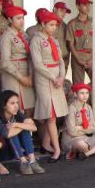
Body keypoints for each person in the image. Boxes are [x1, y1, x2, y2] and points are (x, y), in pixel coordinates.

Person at [30, 8, 69, 162]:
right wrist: (53, 78)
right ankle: (57, 149)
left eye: (55, 25)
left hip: (56, 79)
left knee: (53, 113)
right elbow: (38, 64)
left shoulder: (54, 40)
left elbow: (60, 61)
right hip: (45, 80)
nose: (54, 28)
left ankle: (46, 143)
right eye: (51, 25)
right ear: (42, 24)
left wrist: (61, 76)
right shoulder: (36, 40)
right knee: (51, 114)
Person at [0, 90, 45, 175]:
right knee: (13, 133)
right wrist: (22, 125)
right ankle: (23, 162)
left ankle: (32, 161)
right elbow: (7, 134)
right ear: (4, 106)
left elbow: (34, 128)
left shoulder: (17, 114)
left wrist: (16, 124)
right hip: (4, 151)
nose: (16, 106)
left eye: (17, 103)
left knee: (24, 129)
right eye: (12, 103)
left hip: (17, 149)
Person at [0, 4, 35, 115]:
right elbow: (5, 62)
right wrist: (21, 78)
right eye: (18, 18)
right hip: (13, 75)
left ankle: (28, 132)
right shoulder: (6, 36)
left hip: (26, 74)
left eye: (22, 18)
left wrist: (29, 75)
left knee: (29, 107)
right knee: (14, 108)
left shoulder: (24, 35)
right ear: (10, 19)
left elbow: (29, 56)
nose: (21, 21)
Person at [63, 83, 95, 159]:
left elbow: (93, 128)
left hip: (86, 138)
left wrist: (80, 128)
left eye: (87, 93)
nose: (85, 96)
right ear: (75, 94)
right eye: (82, 93)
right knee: (81, 144)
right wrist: (86, 129)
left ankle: (87, 154)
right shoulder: (71, 108)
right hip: (72, 139)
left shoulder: (88, 107)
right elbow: (72, 131)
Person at [66, 0, 93, 84]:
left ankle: (90, 98)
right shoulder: (72, 24)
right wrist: (78, 59)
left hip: (92, 56)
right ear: (78, 6)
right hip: (78, 56)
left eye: (89, 5)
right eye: (85, 5)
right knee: (78, 85)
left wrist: (93, 59)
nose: (88, 7)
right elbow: (71, 44)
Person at [51, 1, 72, 74]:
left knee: (61, 82)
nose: (64, 13)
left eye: (65, 12)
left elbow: (68, 44)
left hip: (63, 60)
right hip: (51, 61)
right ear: (54, 9)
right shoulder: (47, 25)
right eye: (61, 10)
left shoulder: (66, 26)